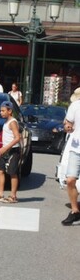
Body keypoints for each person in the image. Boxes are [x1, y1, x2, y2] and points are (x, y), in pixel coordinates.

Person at [0, 101, 20, 204]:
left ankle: (13, 196)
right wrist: (2, 150)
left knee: (12, 173)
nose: (1, 112)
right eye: (0, 111)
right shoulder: (6, 122)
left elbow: (17, 138)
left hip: (13, 151)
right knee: (0, 171)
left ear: (10, 111)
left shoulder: (13, 122)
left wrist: (5, 148)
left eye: (3, 111)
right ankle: (0, 194)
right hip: (5, 151)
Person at [61, 89, 80, 225]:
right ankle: (75, 211)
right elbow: (67, 123)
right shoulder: (75, 106)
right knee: (70, 180)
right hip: (76, 148)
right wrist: (67, 127)